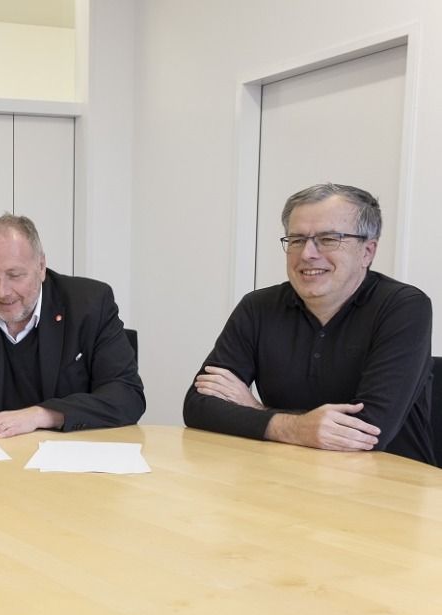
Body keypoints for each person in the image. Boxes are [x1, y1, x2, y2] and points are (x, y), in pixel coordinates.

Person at [184, 182, 434, 465]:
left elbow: (368, 431)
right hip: (285, 477)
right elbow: (198, 407)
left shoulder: (403, 307)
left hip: (387, 485)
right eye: (297, 240)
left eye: (328, 239)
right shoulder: (258, 307)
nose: (307, 254)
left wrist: (256, 409)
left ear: (368, 251)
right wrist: (295, 427)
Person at [0, 213, 145, 442]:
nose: (2, 291)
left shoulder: (89, 304)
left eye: (15, 275)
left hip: (69, 469)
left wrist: (41, 415)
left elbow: (127, 395)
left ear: (41, 267)